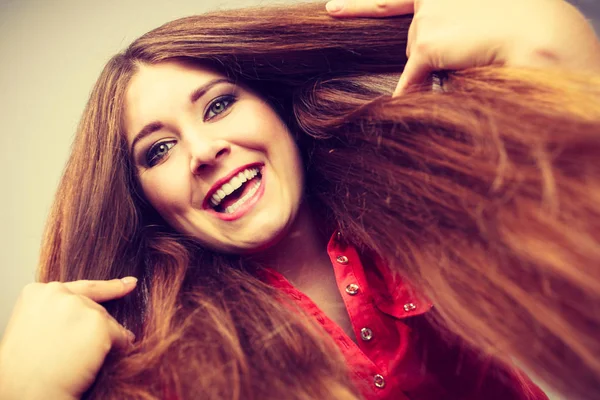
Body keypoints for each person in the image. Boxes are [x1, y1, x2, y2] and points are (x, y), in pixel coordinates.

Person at [1, 0, 599, 399]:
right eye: (157, 151)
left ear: (278, 111)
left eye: (218, 104)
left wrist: (564, 53)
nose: (204, 150)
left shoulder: (448, 211)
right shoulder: (159, 366)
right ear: (145, 201)